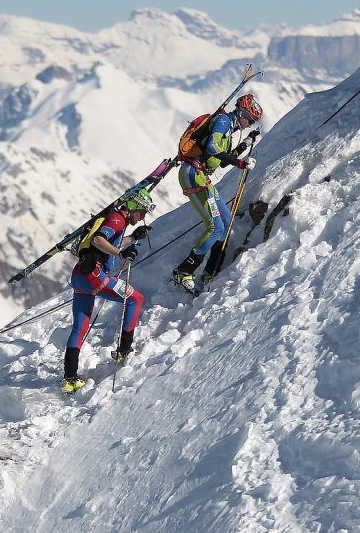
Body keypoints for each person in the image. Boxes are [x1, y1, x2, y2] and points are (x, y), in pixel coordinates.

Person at [63, 188, 153, 393]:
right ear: (133, 206)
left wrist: (132, 238)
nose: (142, 217)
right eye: (142, 212)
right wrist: (121, 253)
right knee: (136, 299)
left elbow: (109, 241)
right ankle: (124, 350)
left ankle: (70, 379)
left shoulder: (117, 220)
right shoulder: (117, 219)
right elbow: (98, 240)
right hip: (95, 276)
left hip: (80, 276)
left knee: (79, 329)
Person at [172, 93, 263, 294]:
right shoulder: (223, 121)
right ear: (242, 113)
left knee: (226, 222)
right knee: (215, 226)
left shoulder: (229, 130)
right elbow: (212, 148)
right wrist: (240, 163)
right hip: (193, 173)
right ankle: (184, 270)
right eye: (250, 119)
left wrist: (246, 143)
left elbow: (221, 162)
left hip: (201, 176)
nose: (250, 124)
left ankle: (209, 271)